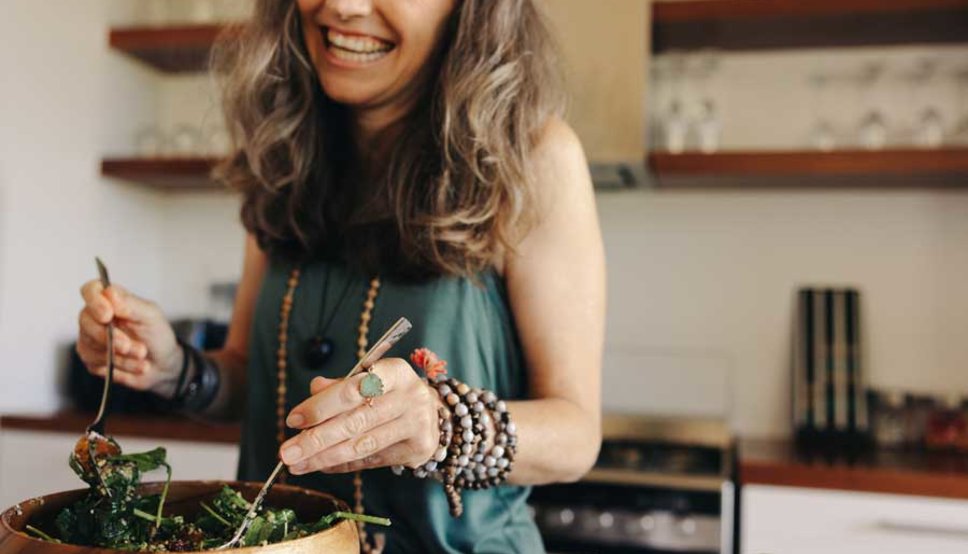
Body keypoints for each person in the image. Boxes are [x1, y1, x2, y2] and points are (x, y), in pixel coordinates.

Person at [75, 0, 605, 551]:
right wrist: (176, 370)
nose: (343, 6)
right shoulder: (283, 150)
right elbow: (254, 382)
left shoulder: (535, 156)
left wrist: (439, 425)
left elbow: (576, 435)